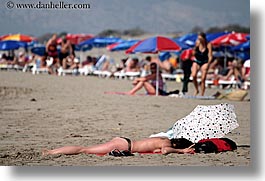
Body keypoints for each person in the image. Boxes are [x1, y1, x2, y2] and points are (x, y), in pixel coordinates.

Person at [42, 137, 195, 156]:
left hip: (125, 142)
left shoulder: (163, 138)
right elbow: (165, 151)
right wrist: (182, 151)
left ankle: (52, 151)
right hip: (124, 144)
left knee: (86, 149)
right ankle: (51, 152)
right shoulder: (166, 143)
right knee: (84, 149)